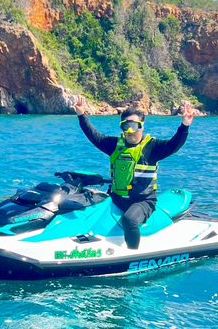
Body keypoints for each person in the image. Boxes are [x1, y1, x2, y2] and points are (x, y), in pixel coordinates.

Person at [71, 96, 195, 249]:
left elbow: (174, 144)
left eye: (134, 126)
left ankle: (132, 252)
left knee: (129, 220)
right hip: (116, 198)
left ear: (142, 127)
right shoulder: (115, 145)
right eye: (126, 126)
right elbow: (94, 136)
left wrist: (184, 126)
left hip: (143, 202)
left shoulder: (152, 148)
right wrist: (81, 115)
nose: (130, 131)